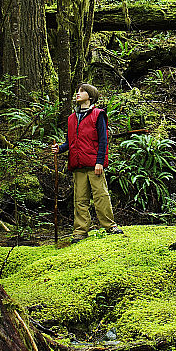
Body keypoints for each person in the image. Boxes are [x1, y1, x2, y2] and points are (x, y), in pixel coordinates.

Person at [52, 84, 123, 241]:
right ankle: (80, 231)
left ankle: (110, 226)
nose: (78, 94)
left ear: (90, 96)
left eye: (82, 91)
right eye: (77, 91)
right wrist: (60, 149)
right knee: (80, 199)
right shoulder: (71, 118)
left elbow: (103, 140)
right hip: (78, 165)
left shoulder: (98, 115)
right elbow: (70, 142)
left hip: (94, 164)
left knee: (101, 196)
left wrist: (100, 162)